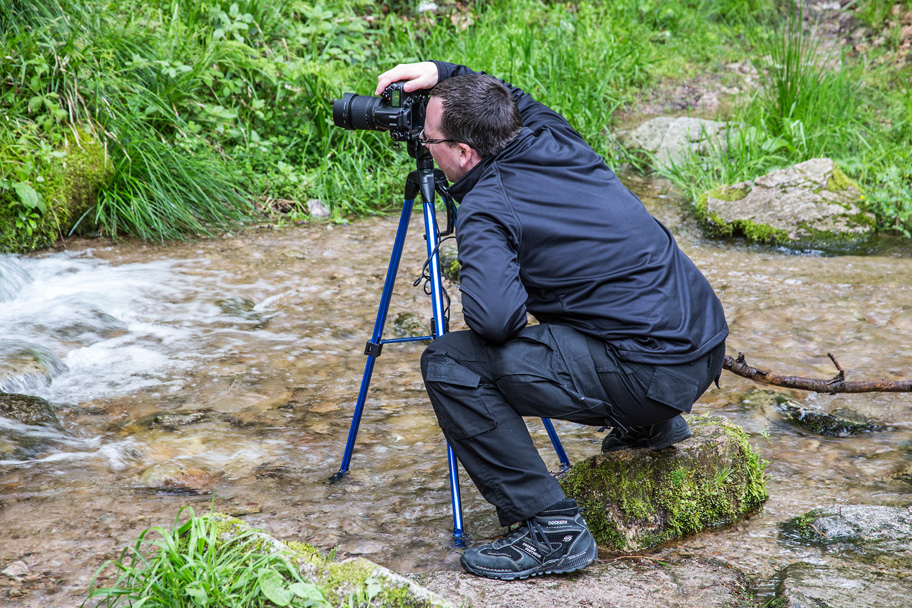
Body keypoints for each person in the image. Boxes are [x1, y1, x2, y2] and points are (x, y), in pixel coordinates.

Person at [374, 61, 728, 580]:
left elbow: (494, 324)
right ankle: (648, 426)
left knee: (451, 364)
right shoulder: (545, 130)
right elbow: (503, 91)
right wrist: (438, 71)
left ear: (464, 152)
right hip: (704, 343)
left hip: (653, 375)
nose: (424, 146)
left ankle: (551, 530)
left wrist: (490, 260)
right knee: (599, 303)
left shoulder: (488, 205)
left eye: (429, 140)